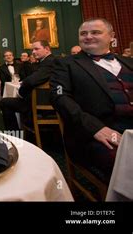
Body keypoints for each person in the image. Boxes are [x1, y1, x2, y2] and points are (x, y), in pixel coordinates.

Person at [50, 18, 133, 180]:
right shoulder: (66, 64)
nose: (88, 37)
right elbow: (59, 97)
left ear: (111, 36)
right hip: (96, 133)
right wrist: (95, 128)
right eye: (83, 33)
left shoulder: (129, 63)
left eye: (95, 32)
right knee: (127, 163)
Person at [0, 40, 55, 131]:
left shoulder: (50, 62)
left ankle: (15, 135)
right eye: (32, 50)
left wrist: (20, 93)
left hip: (42, 102)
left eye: (36, 49)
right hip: (44, 99)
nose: (33, 52)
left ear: (47, 49)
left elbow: (31, 81)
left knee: (5, 103)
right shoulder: (47, 61)